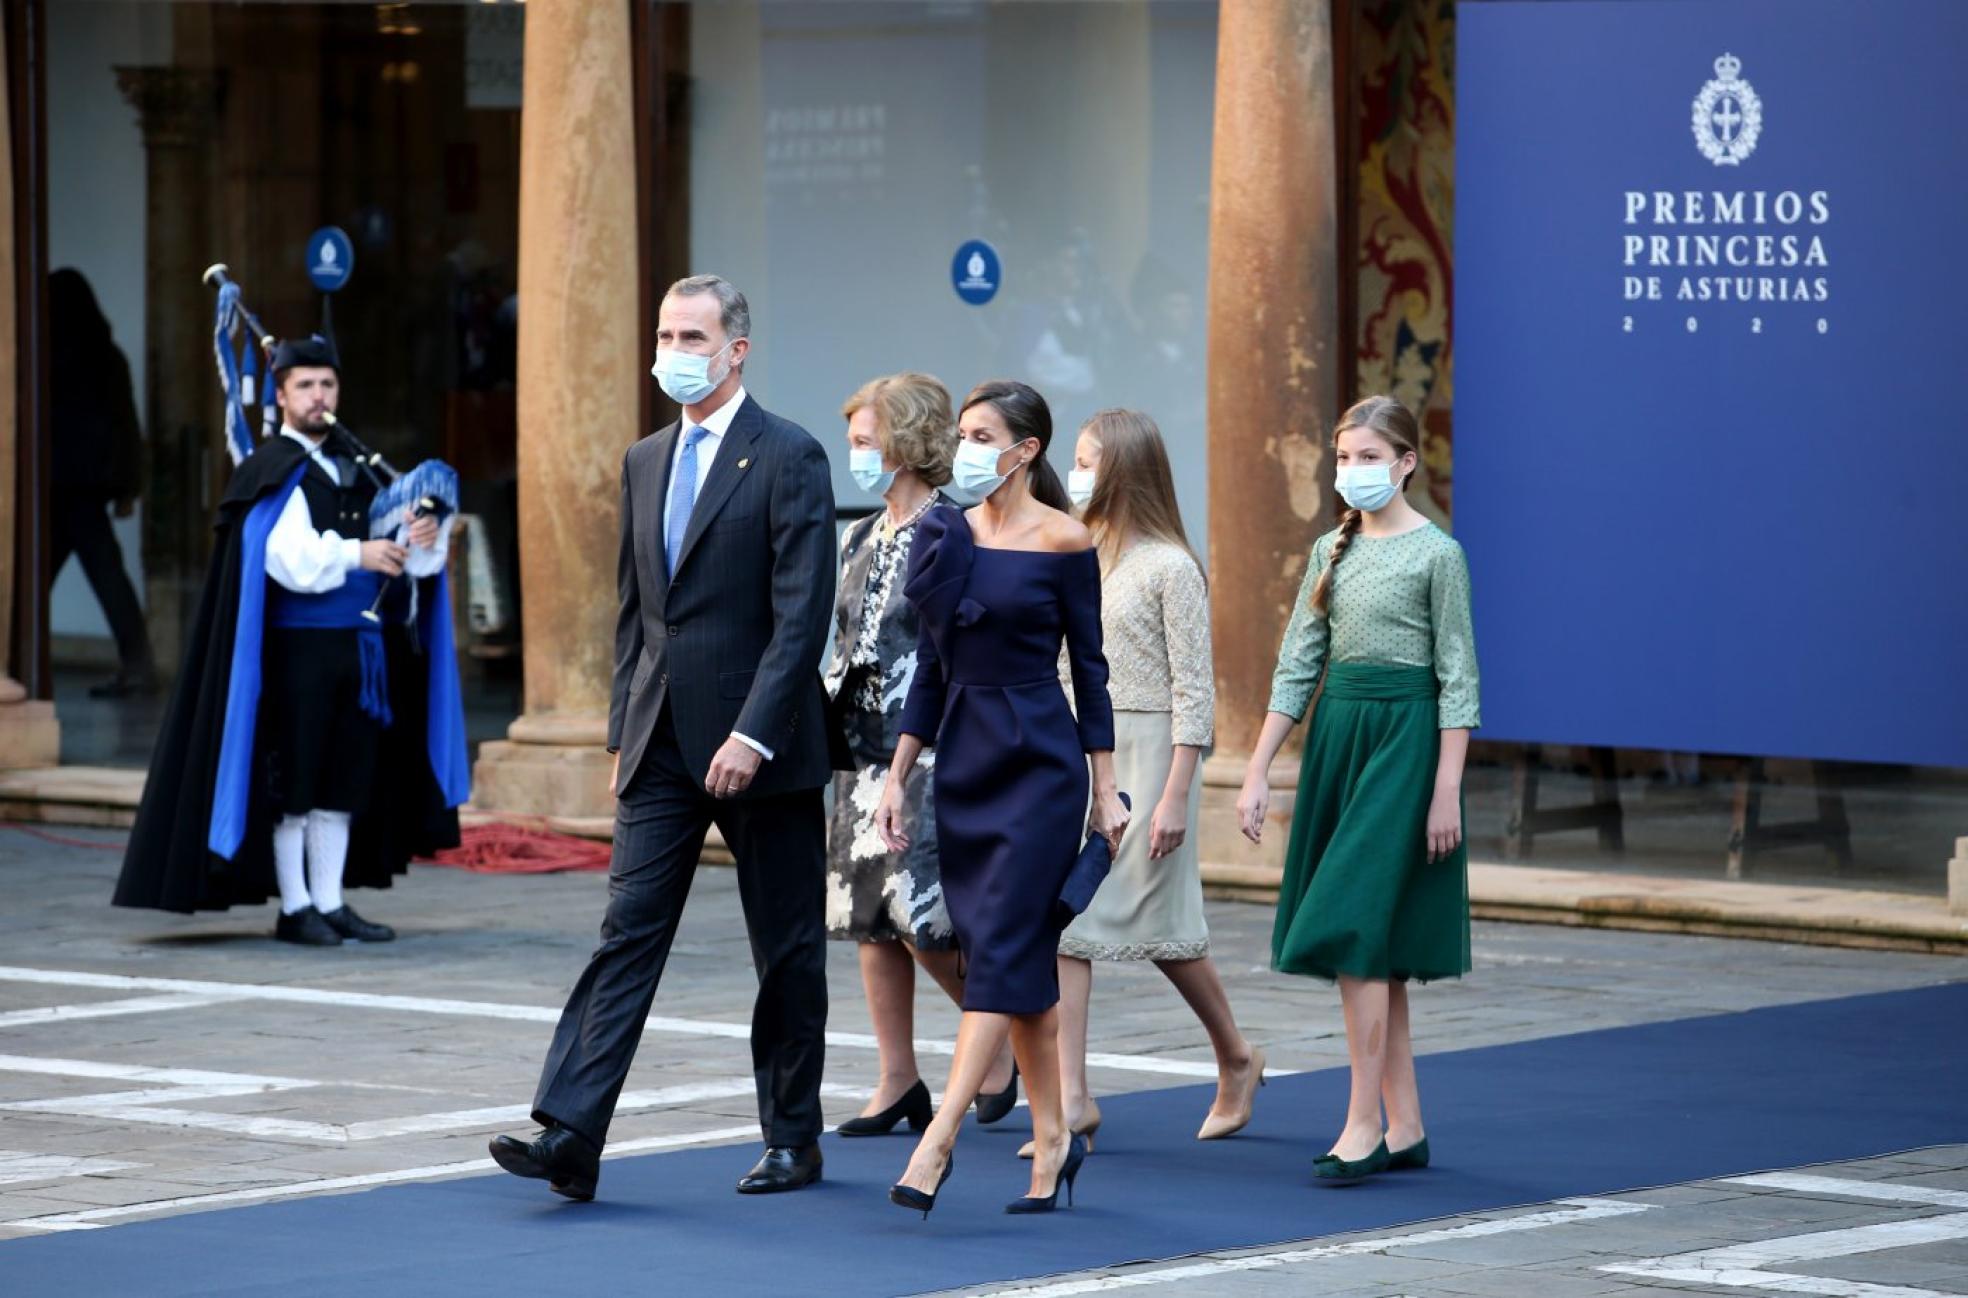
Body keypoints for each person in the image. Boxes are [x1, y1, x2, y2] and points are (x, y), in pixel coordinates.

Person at [489, 275, 836, 1203]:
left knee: (788, 946)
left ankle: (793, 1137)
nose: (674, 349)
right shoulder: (645, 459)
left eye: (693, 334)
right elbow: (635, 615)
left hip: (762, 748)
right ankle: (571, 1131)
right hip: (659, 746)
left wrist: (753, 734)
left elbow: (802, 619)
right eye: (665, 332)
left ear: (738, 350)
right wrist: (617, 735)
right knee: (625, 935)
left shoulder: (789, 455)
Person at [113, 334, 469, 942]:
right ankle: (294, 906)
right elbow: (287, 558)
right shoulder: (271, 469)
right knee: (297, 782)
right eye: (304, 385)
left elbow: (405, 562)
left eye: (327, 384)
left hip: (361, 655)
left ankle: (329, 903)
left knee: (342, 780)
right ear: (280, 396)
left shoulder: (354, 471)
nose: (318, 396)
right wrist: (360, 552)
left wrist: (421, 541)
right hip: (298, 651)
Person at [874, 379, 1127, 1218]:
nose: (966, 448)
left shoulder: (1065, 541)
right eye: (962, 433)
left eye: (983, 435)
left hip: (1042, 767)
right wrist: (898, 774)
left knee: (1006, 950)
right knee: (1010, 964)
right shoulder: (945, 534)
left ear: (1025, 452)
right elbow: (932, 671)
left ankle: (936, 1140)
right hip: (967, 767)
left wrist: (1105, 791)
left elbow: (1090, 673)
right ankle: (1053, 1142)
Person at [1235, 394, 1480, 1184]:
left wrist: (1447, 790)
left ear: (1407, 462)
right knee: (1374, 938)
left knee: (1354, 926)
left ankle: (1362, 1122)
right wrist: (1259, 765)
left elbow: (1459, 678)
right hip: (1341, 738)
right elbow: (1297, 663)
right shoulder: (1328, 550)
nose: (1353, 472)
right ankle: (1405, 1123)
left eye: (1369, 458)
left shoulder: (1439, 554)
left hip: (1404, 746)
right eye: (1344, 458)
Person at [1021, 409, 1261, 1161]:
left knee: (1160, 926)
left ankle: (1235, 1053)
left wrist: (1174, 795)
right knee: (1069, 922)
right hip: (1082, 746)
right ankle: (1071, 1100)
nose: (1077, 471)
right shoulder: (1079, 550)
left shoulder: (1169, 565)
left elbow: (1196, 691)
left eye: (1090, 459)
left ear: (1124, 469)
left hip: (1151, 748)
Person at [825, 373, 1018, 1138]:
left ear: (905, 443)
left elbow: (954, 646)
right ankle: (897, 1078)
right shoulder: (859, 533)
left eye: (866, 441)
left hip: (931, 747)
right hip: (857, 750)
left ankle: (995, 1040)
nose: (855, 455)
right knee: (867, 916)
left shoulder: (956, 530)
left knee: (921, 914)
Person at [47, 268, 154, 697]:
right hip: (87, 487)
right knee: (105, 574)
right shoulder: (107, 357)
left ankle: (138, 663)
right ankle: (138, 663)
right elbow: (126, 427)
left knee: (42, 577)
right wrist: (127, 488)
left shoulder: (50, 357)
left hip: (62, 487)